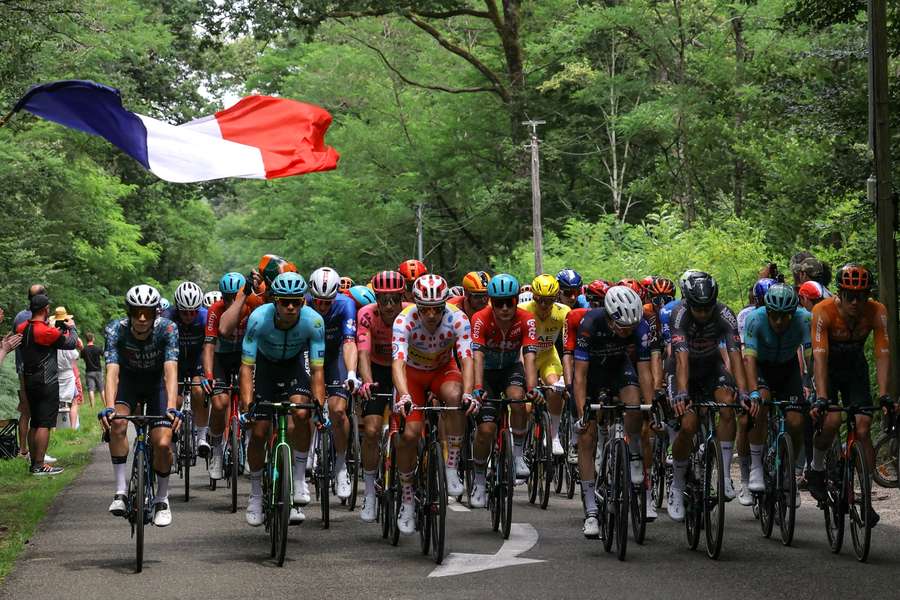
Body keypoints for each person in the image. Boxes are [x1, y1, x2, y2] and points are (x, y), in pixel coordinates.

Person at [807, 264, 894, 526]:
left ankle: (865, 497)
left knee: (864, 426)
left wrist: (885, 395)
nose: (856, 302)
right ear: (840, 294)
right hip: (828, 368)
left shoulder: (876, 311)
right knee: (832, 420)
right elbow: (819, 357)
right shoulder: (823, 311)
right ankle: (817, 467)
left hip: (855, 368)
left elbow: (881, 354)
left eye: (861, 296)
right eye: (850, 296)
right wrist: (822, 397)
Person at [391, 274, 478, 534]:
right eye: (425, 309)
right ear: (416, 304)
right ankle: (407, 498)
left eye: (436, 309)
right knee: (410, 435)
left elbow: (467, 359)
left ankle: (451, 466)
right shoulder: (404, 320)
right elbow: (397, 363)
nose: (430, 315)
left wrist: (470, 393)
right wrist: (404, 395)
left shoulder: (458, 318)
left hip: (443, 371)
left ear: (444, 305)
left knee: (455, 397)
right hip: (413, 377)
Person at [241, 273, 326, 526]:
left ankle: (299, 478)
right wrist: (247, 407)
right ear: (275, 302)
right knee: (258, 432)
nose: (290, 307)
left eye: (296, 302)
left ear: (303, 302)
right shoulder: (258, 320)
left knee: (301, 414)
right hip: (265, 369)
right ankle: (255, 494)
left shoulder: (314, 322)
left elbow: (318, 369)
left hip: (294, 367)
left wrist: (319, 405)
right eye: (284, 302)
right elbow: (246, 367)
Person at [665, 271, 749, 520]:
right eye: (697, 309)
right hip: (684, 371)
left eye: (707, 308)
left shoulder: (725, 314)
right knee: (688, 425)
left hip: (711, 367)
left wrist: (743, 392)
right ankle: (677, 486)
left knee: (728, 406)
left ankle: (723, 476)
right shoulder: (678, 314)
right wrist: (681, 393)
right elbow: (680, 359)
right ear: (688, 303)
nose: (702, 314)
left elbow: (735, 356)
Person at [573, 285, 654, 537]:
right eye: (622, 328)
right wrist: (581, 414)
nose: (627, 332)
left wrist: (649, 407)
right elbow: (580, 375)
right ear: (609, 317)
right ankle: (590, 512)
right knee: (587, 436)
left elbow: (644, 370)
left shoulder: (639, 326)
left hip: (620, 368)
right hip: (592, 374)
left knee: (634, 404)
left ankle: (632, 455)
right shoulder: (590, 323)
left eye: (631, 328)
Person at [98, 285, 181, 526]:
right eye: (136, 312)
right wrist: (110, 406)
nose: (142, 318)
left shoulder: (168, 328)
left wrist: (173, 406)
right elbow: (112, 372)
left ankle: (162, 499)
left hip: (157, 386)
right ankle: (121, 491)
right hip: (129, 383)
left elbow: (171, 370)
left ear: (156, 313)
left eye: (147, 312)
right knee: (117, 425)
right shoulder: (116, 330)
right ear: (129, 312)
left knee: (164, 442)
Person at [470, 274, 538, 505]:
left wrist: (532, 387)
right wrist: (477, 387)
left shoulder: (527, 319)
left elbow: (529, 355)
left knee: (519, 400)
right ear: (491, 301)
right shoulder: (480, 318)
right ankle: (479, 480)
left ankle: (518, 455)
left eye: (510, 301)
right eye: (499, 303)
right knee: (487, 429)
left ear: (517, 299)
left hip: (510, 368)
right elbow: (477, 356)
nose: (506, 308)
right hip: (486, 374)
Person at [741, 284, 811, 507]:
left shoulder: (804, 319)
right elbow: (749, 360)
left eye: (785, 316)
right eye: (774, 315)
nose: (779, 321)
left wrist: (816, 386)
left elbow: (812, 358)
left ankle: (789, 472)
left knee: (796, 420)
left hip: (787, 368)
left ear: (793, 313)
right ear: (767, 310)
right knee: (760, 403)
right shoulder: (755, 319)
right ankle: (756, 466)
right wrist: (753, 393)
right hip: (761, 367)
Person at [355, 270, 408, 522]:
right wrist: (367, 382)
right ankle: (369, 492)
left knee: (412, 430)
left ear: (403, 297)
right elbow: (363, 353)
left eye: (394, 299)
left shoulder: (411, 313)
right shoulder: (367, 314)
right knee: (373, 430)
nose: (389, 306)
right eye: (383, 299)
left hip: (406, 369)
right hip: (377, 369)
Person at [308, 267, 359, 501]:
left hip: (336, 355)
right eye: (319, 301)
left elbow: (349, 342)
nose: (323, 306)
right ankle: (305, 454)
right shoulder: (302, 303)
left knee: (338, 411)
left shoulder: (345, 304)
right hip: (310, 353)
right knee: (306, 406)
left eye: (328, 302)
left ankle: (340, 467)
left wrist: (350, 373)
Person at [16, 294, 79, 475]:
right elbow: (70, 343)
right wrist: (72, 329)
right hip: (46, 381)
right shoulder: (46, 332)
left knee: (35, 422)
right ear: (45, 310)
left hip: (29, 380)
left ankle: (34, 464)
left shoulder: (22, 328)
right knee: (44, 423)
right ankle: (40, 464)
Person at [519, 274, 571, 456]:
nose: (543, 305)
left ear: (555, 298)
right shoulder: (522, 310)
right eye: (539, 300)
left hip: (548, 355)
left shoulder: (563, 312)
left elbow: (569, 346)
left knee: (555, 389)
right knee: (524, 405)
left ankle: (554, 436)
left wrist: (567, 376)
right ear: (533, 296)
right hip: (525, 356)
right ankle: (519, 444)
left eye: (548, 301)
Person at [50, 307, 83, 430]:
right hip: (68, 375)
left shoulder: (51, 339)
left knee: (53, 403)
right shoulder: (69, 341)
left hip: (55, 375)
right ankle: (73, 427)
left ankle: (53, 428)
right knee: (73, 401)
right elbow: (76, 355)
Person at [81, 333, 104, 408]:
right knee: (101, 389)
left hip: (89, 371)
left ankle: (92, 407)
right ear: (93, 339)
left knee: (91, 389)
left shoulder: (84, 349)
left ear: (86, 340)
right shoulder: (97, 348)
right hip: (98, 371)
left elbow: (82, 357)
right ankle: (105, 404)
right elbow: (103, 354)